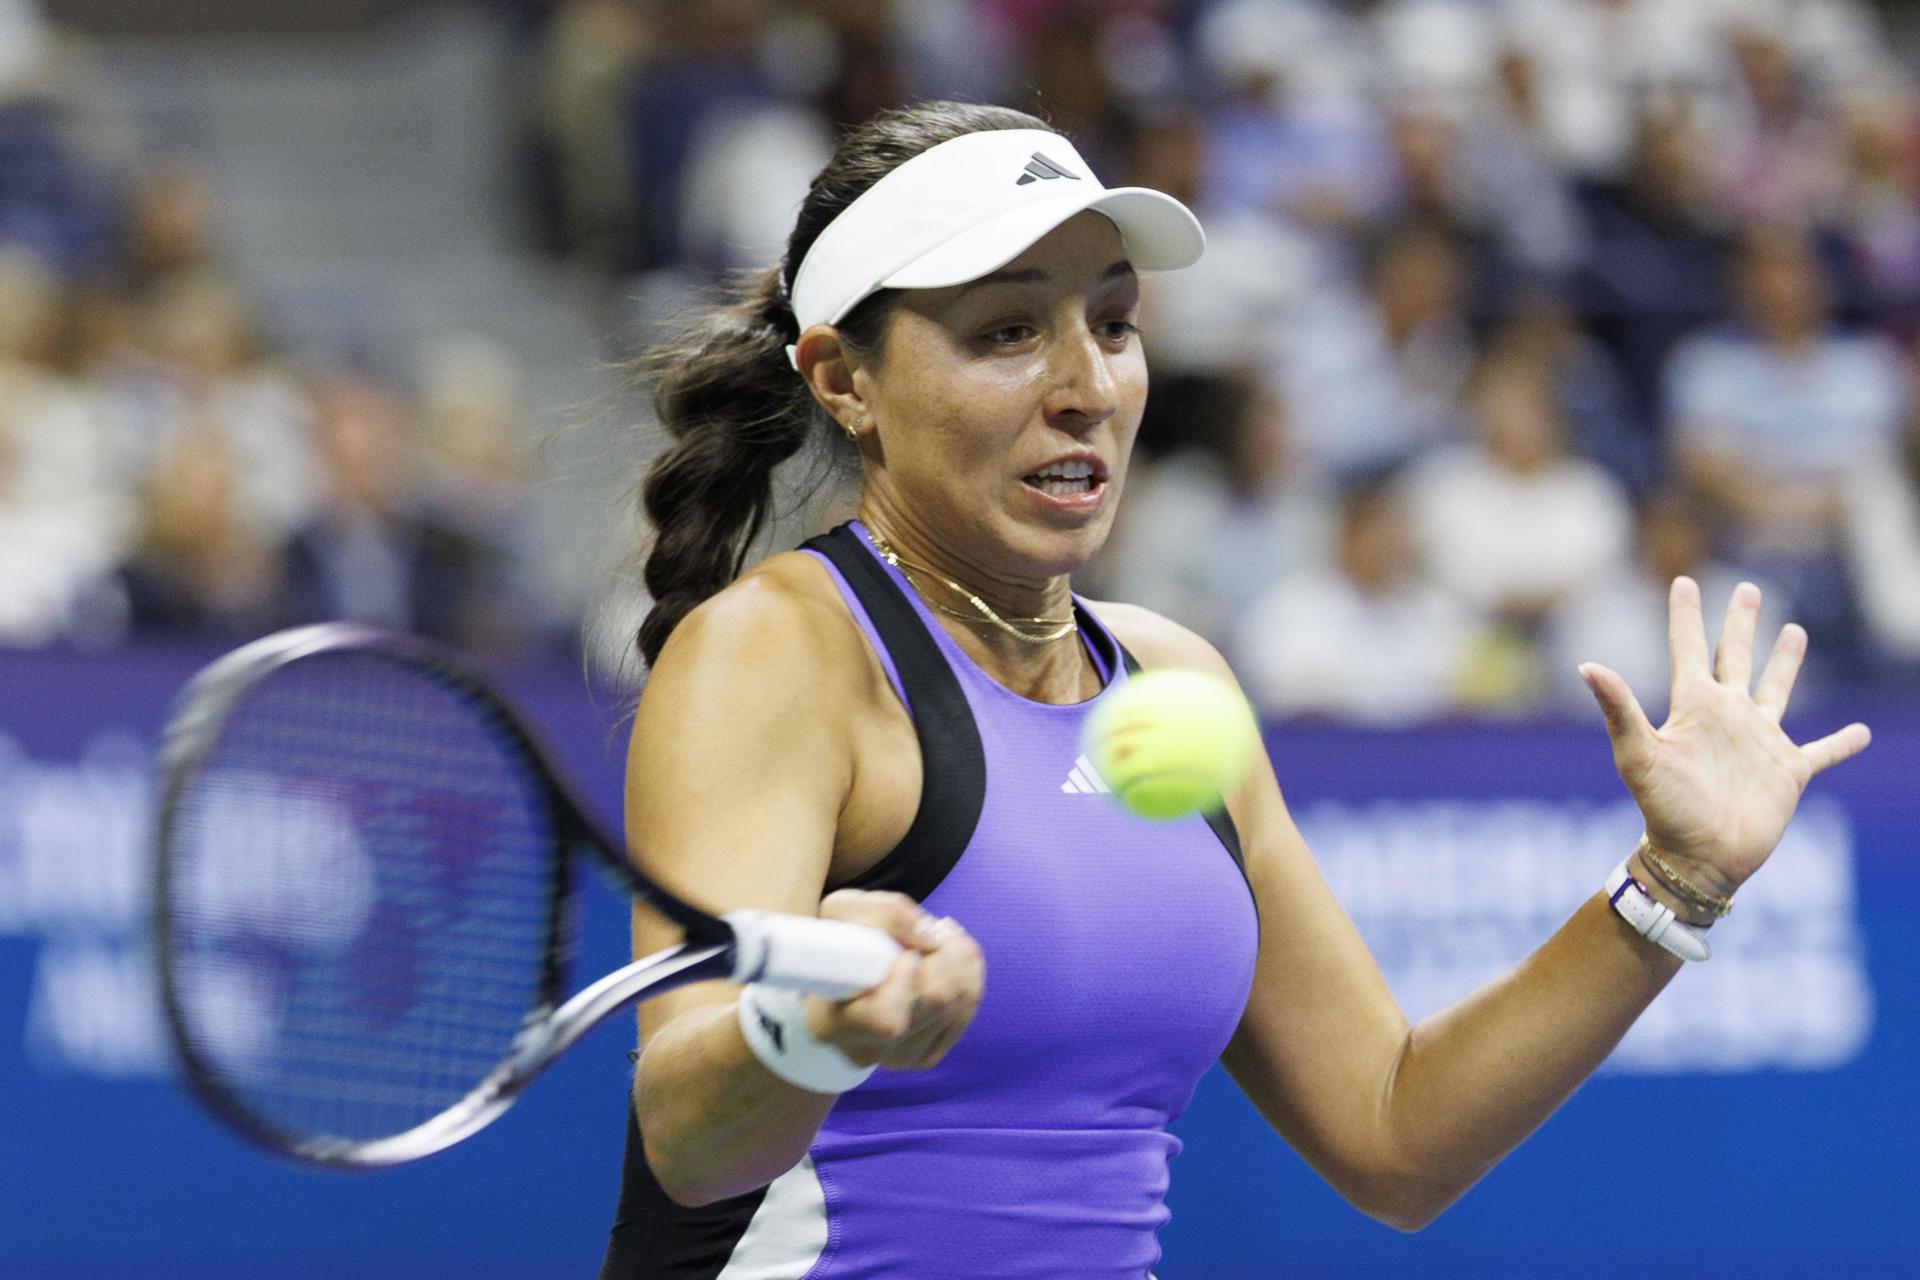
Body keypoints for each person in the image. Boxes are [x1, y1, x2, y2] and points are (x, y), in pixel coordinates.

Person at [602, 101, 1871, 1278]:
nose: (1087, 388)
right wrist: (812, 1027)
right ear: (842, 379)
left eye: (1113, 322)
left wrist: (1675, 879)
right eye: (1005, 331)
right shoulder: (775, 653)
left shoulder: (1172, 675)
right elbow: (689, 1132)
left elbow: (1394, 1128)